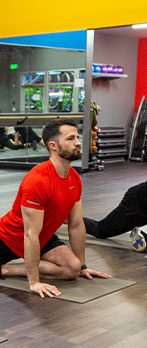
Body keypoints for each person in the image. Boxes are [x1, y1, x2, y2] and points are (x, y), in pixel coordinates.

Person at [0, 119, 111, 297]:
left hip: (43, 237)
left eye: (77, 136)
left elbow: (76, 225)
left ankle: (5, 270)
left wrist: (82, 266)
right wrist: (34, 282)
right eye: (70, 138)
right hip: (8, 237)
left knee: (72, 269)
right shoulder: (37, 180)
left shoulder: (74, 178)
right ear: (53, 145)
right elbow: (30, 235)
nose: (77, 142)